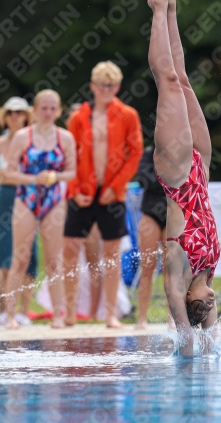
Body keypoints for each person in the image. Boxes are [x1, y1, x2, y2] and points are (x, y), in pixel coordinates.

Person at [148, 0, 221, 353]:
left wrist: (186, 335)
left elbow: (176, 305)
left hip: (177, 176)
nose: (210, 303)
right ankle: (172, 10)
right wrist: (207, 337)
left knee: (170, 83)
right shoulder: (207, 272)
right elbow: (213, 334)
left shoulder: (180, 271)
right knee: (185, 79)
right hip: (201, 171)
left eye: (202, 307)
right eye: (208, 307)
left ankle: (157, 9)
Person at [63, 61, 143, 328]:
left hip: (112, 193)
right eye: (101, 85)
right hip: (83, 192)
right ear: (92, 86)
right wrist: (74, 190)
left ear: (118, 87)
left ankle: (110, 313)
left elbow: (135, 154)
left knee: (111, 255)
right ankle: (71, 312)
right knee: (70, 251)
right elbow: (69, 156)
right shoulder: (79, 117)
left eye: (110, 85)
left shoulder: (127, 115)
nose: (106, 89)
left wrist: (116, 186)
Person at [5, 89, 76, 329]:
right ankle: (11, 315)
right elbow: (10, 172)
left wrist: (54, 176)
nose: (47, 112)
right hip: (26, 197)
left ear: (58, 111)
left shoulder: (65, 138)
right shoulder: (23, 136)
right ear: (34, 110)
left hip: (53, 200)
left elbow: (72, 172)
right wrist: (34, 179)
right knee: (20, 258)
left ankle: (57, 314)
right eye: (43, 108)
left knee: (54, 260)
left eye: (52, 108)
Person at [0, 97, 38, 326]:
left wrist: (14, 177)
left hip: (26, 198)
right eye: (11, 112)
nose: (15, 116)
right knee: (4, 254)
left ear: (26, 115)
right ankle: (5, 308)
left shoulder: (32, 142)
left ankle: (24, 310)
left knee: (28, 253)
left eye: (20, 112)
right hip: (4, 199)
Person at [135, 144, 168, 329]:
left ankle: (172, 318)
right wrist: (167, 180)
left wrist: (158, 180)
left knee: (170, 268)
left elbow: (185, 180)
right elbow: (142, 179)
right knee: (147, 265)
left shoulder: (182, 151)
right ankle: (141, 318)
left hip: (171, 213)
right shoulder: (150, 152)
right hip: (150, 213)